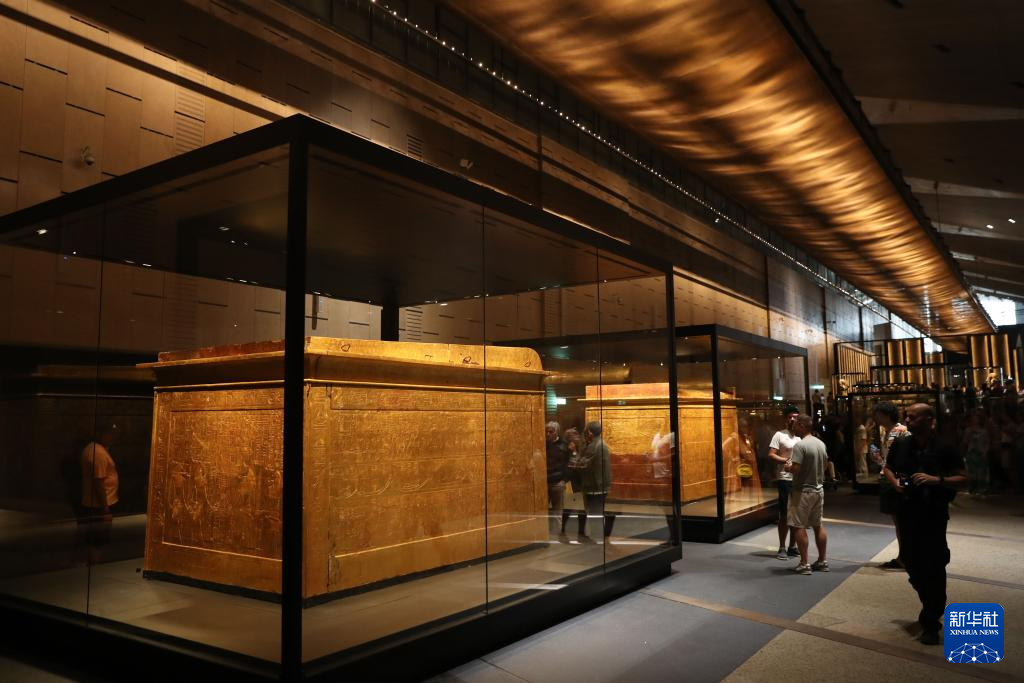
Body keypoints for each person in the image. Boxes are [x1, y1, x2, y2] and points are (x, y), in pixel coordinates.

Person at [884, 403, 967, 646]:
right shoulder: (901, 444)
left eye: (913, 416)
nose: (907, 420)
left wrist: (936, 480)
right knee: (912, 563)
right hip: (907, 511)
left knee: (934, 564)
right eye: (906, 416)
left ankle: (930, 621)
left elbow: (964, 479)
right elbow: (888, 468)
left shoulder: (945, 447)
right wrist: (895, 483)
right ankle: (930, 605)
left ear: (930, 420)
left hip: (933, 513)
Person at [784, 414, 829, 575]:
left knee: (799, 526)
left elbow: (796, 469)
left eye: (795, 424)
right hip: (818, 490)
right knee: (818, 525)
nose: (793, 427)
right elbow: (825, 465)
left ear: (802, 426)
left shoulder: (800, 445)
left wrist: (788, 467)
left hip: (802, 491)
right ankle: (822, 561)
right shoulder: (820, 443)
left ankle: (804, 563)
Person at [871, 401, 909, 571]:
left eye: (878, 415)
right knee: (898, 520)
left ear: (886, 415)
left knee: (902, 521)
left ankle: (906, 558)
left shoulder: (901, 431)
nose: (876, 418)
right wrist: (879, 460)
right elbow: (888, 460)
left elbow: (903, 458)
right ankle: (903, 556)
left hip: (896, 479)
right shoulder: (885, 432)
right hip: (889, 477)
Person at [79, 422, 121, 564]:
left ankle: (92, 562)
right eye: (110, 434)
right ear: (101, 434)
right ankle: (94, 565)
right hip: (99, 505)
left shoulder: (92, 449)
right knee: (98, 540)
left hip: (95, 503)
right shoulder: (98, 453)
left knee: (94, 538)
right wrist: (105, 509)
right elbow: (98, 483)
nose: (113, 438)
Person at [768, 406, 800, 560]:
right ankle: (782, 547)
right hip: (785, 478)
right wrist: (786, 460)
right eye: (790, 417)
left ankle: (792, 546)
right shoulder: (779, 434)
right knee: (784, 514)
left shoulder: (801, 436)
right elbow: (771, 454)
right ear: (785, 419)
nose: (792, 419)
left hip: (799, 479)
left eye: (795, 416)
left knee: (796, 514)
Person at [577, 421, 613, 543]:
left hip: (594, 486)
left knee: (595, 514)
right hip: (599, 485)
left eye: (586, 432)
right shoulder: (601, 444)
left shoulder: (594, 445)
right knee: (596, 513)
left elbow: (583, 463)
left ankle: (597, 538)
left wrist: (576, 453)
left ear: (590, 433)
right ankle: (598, 537)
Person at [545, 421, 569, 536]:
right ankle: (544, 532)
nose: (548, 434)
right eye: (547, 431)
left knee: (557, 510)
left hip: (557, 482)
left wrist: (564, 480)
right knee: (542, 510)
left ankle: (557, 533)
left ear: (557, 432)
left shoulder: (564, 445)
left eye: (551, 432)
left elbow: (568, 464)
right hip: (545, 481)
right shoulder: (543, 444)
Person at [960, 410, 990, 496]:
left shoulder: (984, 431)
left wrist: (985, 452)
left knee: (981, 471)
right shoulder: (968, 430)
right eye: (973, 418)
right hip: (971, 453)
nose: (975, 419)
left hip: (981, 453)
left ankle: (981, 488)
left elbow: (987, 442)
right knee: (972, 472)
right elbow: (965, 442)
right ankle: (972, 488)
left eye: (976, 417)